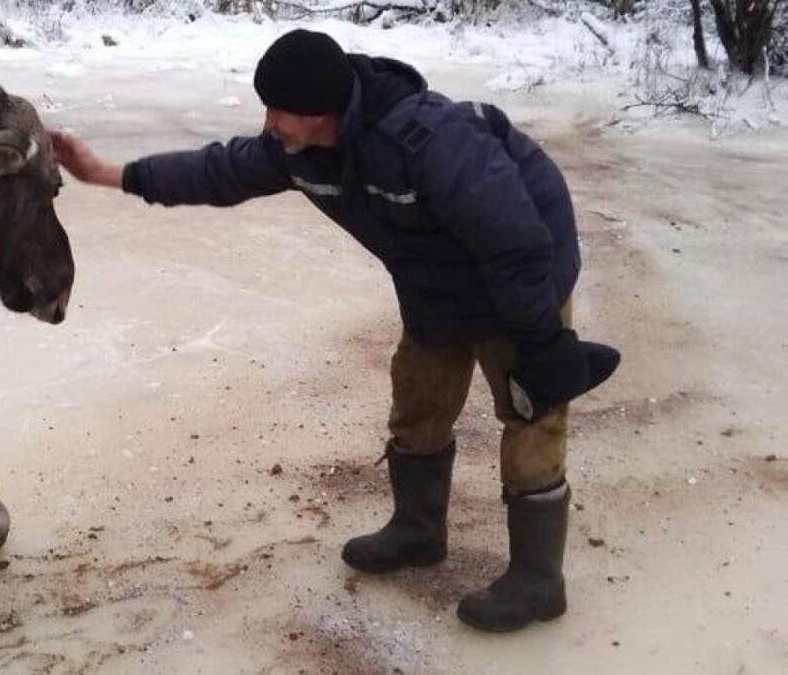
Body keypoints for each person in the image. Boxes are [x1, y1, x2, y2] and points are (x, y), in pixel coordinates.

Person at [51, 28, 619, 632]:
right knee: (418, 396)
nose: (268, 123)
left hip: (522, 267)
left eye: (279, 110)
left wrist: (541, 342)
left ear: (321, 111)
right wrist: (109, 173)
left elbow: (515, 241)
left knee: (531, 410)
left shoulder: (430, 139)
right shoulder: (299, 150)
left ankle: (538, 581)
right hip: (435, 277)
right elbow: (218, 172)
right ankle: (418, 530)